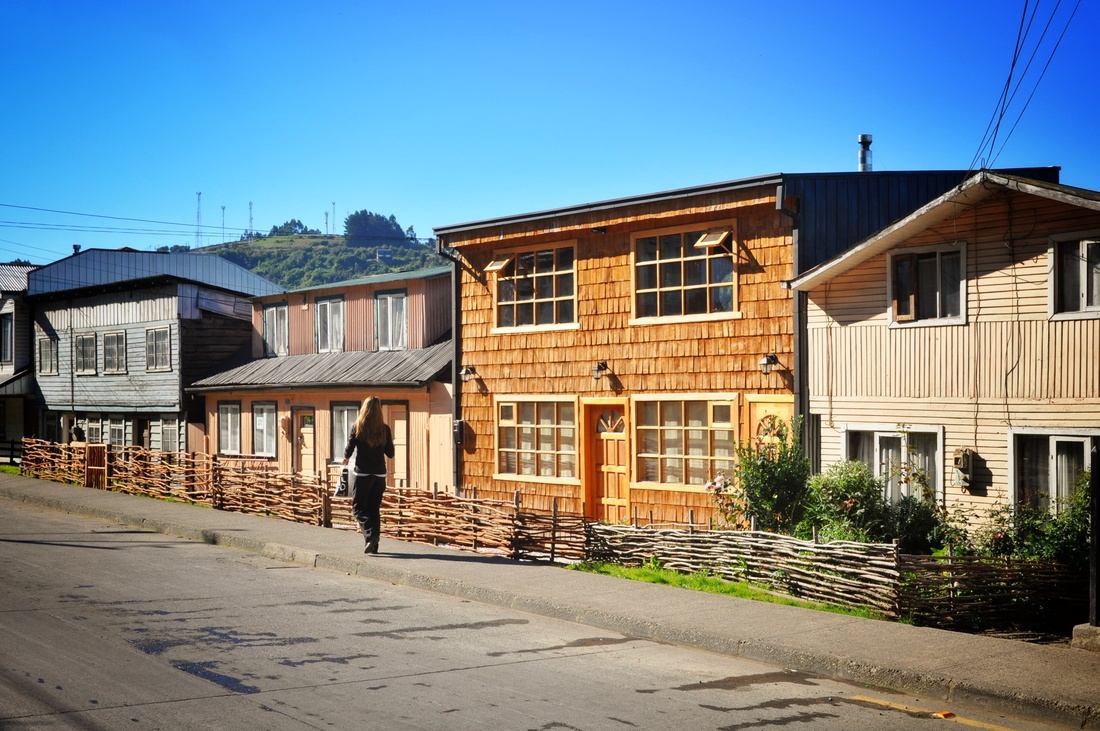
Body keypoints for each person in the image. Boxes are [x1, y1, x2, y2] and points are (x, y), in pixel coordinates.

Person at [342, 396, 394, 554]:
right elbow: (390, 453)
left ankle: (371, 537)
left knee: (358, 508)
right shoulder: (385, 429)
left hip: (363, 474)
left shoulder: (358, 427)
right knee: (373, 509)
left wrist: (345, 458)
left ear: (364, 409)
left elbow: (350, 447)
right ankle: (373, 545)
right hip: (379, 475)